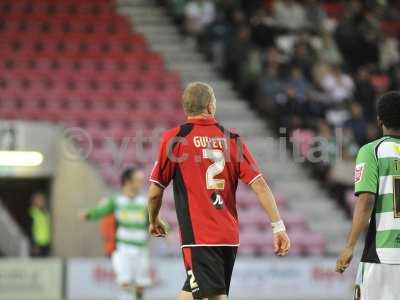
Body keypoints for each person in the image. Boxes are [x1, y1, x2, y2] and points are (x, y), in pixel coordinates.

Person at [147, 82, 290, 300]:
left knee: (212, 297)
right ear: (211, 106)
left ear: (186, 108)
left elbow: (155, 191)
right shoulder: (232, 139)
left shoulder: (174, 139)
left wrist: (153, 219)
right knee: (189, 295)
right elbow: (259, 185)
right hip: (228, 236)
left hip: (199, 238)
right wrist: (278, 226)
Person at [336, 91, 400, 299]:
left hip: (383, 254)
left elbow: (366, 201)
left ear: (379, 119)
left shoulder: (372, 151)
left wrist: (349, 246)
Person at [80, 168, 150, 300]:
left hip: (141, 248)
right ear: (128, 182)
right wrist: (88, 214)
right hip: (123, 248)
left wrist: (167, 232)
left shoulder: (144, 202)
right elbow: (100, 211)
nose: (141, 183)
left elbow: (155, 221)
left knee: (141, 284)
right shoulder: (116, 200)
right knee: (125, 283)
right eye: (138, 180)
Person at [29, 192, 51, 257]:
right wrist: (34, 244)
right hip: (37, 243)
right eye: (38, 200)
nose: (41, 202)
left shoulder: (47, 213)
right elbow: (30, 229)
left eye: (42, 200)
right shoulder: (32, 213)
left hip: (47, 242)